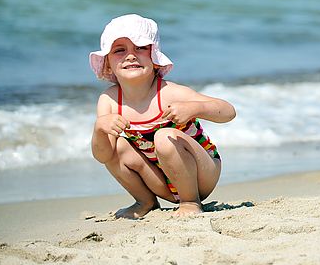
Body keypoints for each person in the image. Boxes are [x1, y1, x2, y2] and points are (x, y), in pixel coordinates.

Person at [89, 14, 236, 218]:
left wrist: (194, 108)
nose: (130, 55)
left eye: (140, 48)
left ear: (155, 58)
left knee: (164, 137)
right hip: (161, 181)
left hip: (201, 174)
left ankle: (190, 202)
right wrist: (99, 129)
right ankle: (145, 201)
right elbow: (103, 156)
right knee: (117, 147)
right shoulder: (109, 100)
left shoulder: (168, 93)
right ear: (107, 63)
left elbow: (228, 112)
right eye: (119, 50)